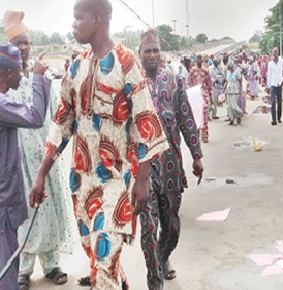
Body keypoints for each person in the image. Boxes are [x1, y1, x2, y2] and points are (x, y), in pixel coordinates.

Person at [28, 1, 168, 289]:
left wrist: (142, 180)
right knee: (101, 262)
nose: (73, 25)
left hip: (117, 182)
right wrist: (42, 173)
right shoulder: (77, 66)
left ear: (97, 18)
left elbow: (146, 122)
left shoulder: (127, 61)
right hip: (82, 182)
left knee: (104, 269)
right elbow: (62, 122)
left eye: (77, 18)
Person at [3, 10, 72, 289]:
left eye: (27, 42)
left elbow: (55, 116)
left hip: (44, 158)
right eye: (18, 43)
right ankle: (24, 268)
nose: (24, 47)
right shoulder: (7, 82)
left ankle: (52, 264)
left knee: (49, 208)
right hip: (17, 165)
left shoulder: (37, 78)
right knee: (23, 217)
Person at [138, 29, 204, 290]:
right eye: (147, 51)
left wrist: (196, 155)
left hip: (172, 166)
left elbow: (187, 119)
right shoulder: (133, 83)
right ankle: (155, 282)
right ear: (139, 54)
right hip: (143, 170)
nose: (152, 55)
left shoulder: (174, 80)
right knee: (148, 227)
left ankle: (163, 257)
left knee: (172, 226)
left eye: (156, 50)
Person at [0, 43, 51, 290]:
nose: (23, 73)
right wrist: (39, 77)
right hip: (2, 205)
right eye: (20, 69)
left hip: (6, 200)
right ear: (9, 73)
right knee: (6, 272)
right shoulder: (0, 105)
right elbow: (35, 117)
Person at [188, 54, 212, 143]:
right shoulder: (192, 71)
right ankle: (196, 132)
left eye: (200, 58)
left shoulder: (205, 70)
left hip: (204, 95)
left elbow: (209, 82)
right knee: (196, 115)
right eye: (198, 58)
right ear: (195, 60)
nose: (199, 60)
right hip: (195, 96)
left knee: (205, 115)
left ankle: (205, 135)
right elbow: (189, 83)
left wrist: (210, 94)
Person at [266, 47, 283, 125]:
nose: (274, 53)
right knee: (272, 102)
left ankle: (279, 117)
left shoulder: (281, 62)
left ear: (278, 53)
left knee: (279, 102)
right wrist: (268, 86)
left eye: (276, 52)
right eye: (273, 52)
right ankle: (274, 119)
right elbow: (269, 75)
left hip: (280, 84)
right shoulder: (270, 63)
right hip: (273, 84)